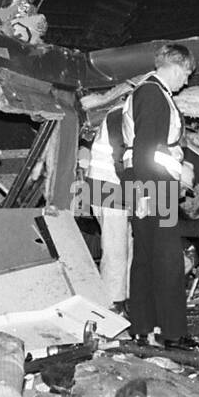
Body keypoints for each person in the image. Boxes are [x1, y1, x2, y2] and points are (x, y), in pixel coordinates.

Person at [122, 44, 199, 348]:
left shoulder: (146, 92)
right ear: (176, 65)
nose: (187, 81)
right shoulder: (154, 95)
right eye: (187, 73)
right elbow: (146, 149)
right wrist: (145, 195)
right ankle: (173, 334)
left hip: (145, 184)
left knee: (144, 258)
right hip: (154, 187)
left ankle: (142, 328)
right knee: (168, 259)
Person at [84, 102, 131, 314]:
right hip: (108, 188)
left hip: (114, 187)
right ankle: (112, 305)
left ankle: (126, 298)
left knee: (126, 246)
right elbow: (120, 159)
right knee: (116, 249)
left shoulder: (128, 113)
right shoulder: (120, 116)